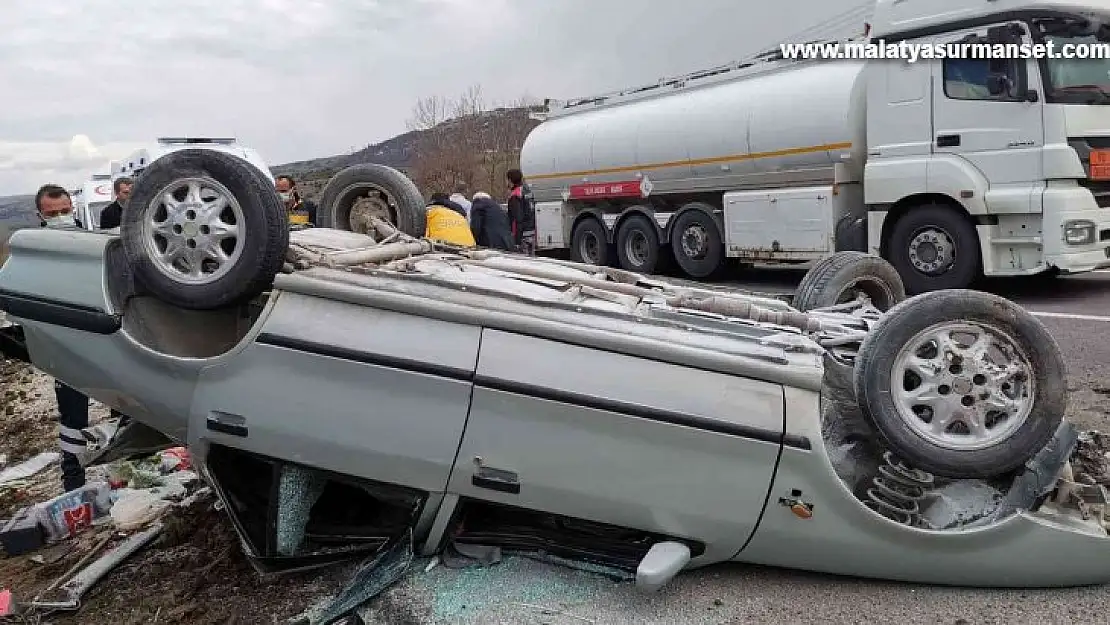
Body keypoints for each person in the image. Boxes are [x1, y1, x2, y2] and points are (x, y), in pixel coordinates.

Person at [34, 185, 91, 491]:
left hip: (103, 340)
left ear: (73, 207)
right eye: (51, 213)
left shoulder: (91, 241)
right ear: (39, 215)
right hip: (63, 346)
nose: (60, 217)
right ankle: (74, 482)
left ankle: (129, 468)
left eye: (64, 211)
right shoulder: (35, 250)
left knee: (126, 409)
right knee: (73, 418)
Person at [506, 168, 536, 255]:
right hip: (532, 232)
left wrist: (517, 242)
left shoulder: (515, 195)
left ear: (510, 180)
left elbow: (517, 219)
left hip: (522, 235)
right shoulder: (527, 190)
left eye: (507, 180)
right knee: (532, 261)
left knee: (523, 262)